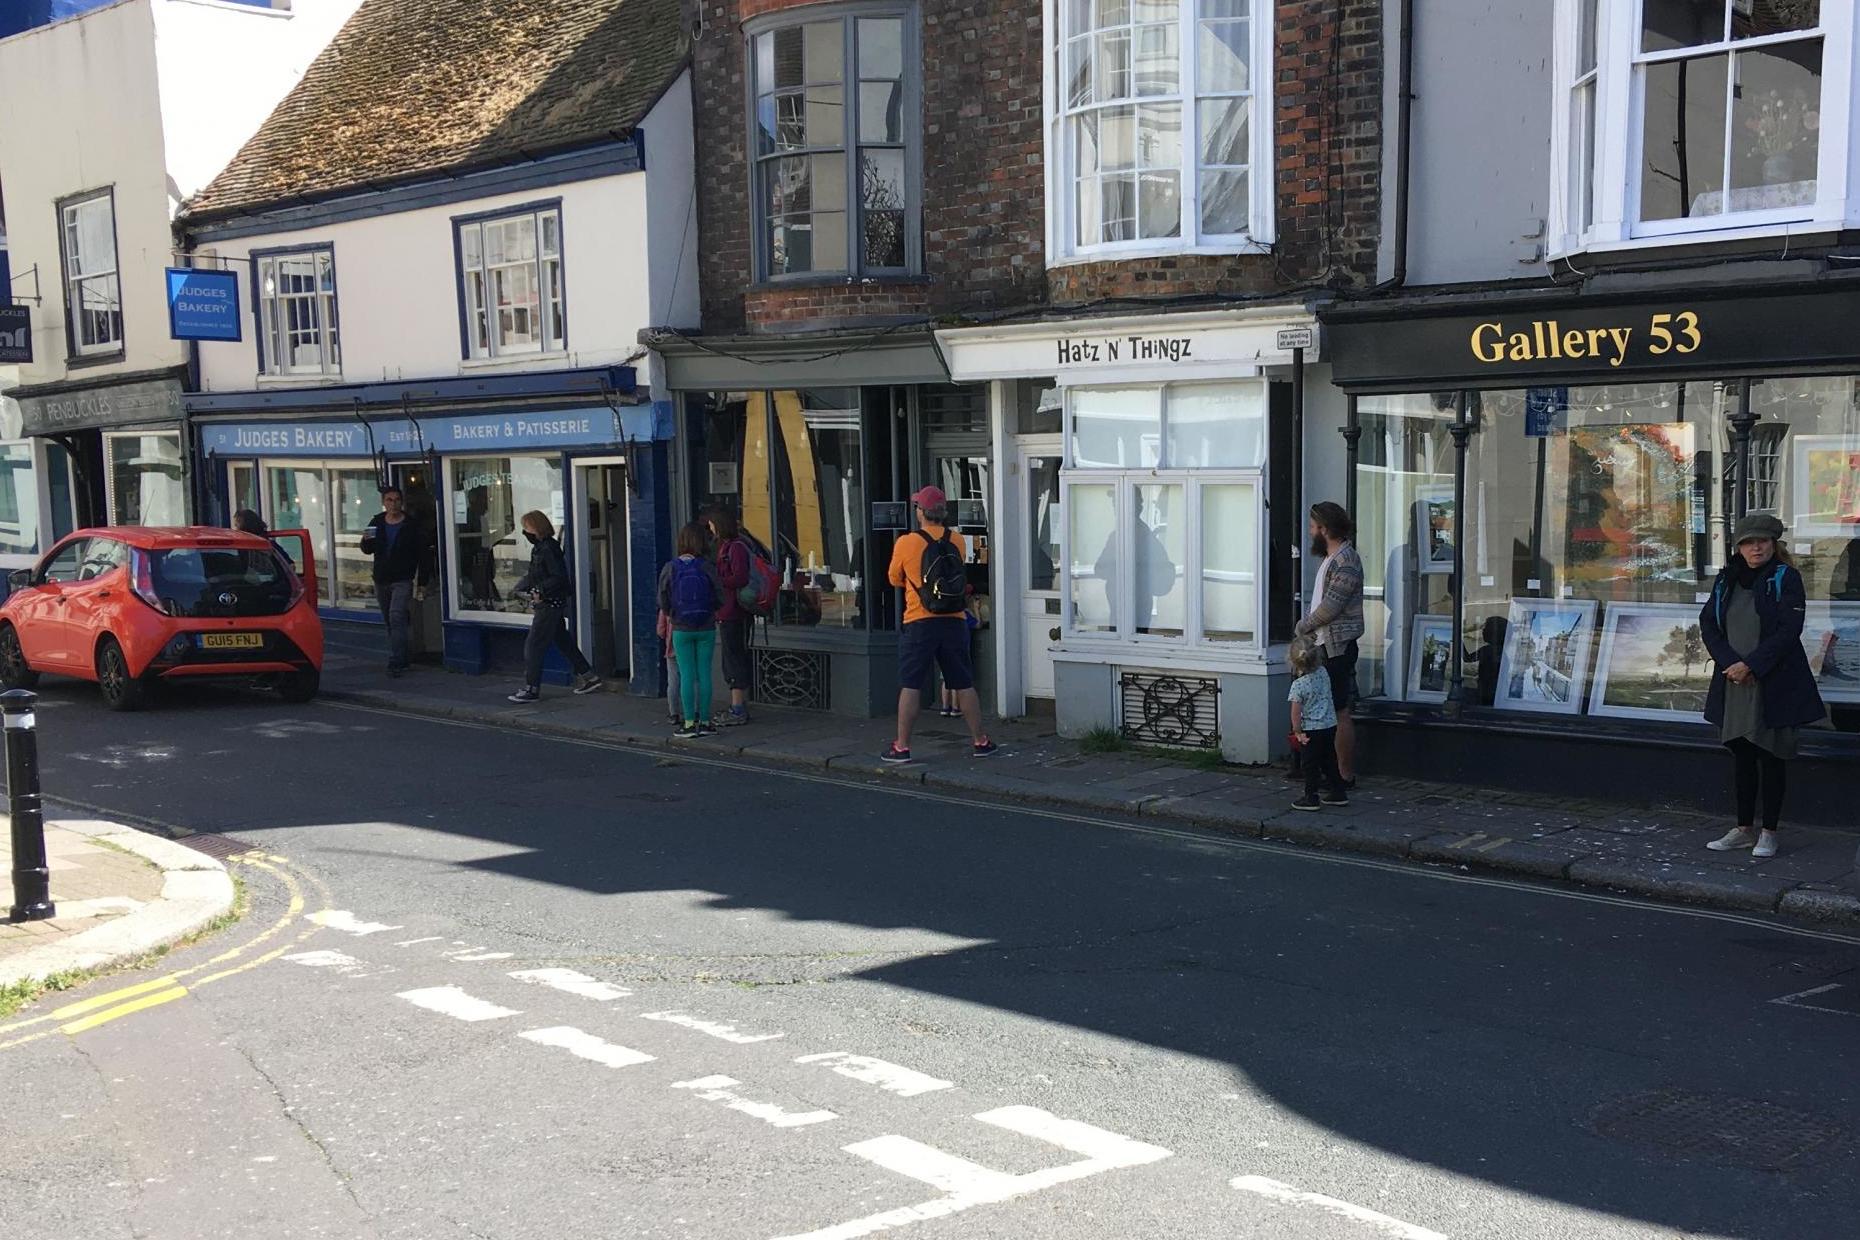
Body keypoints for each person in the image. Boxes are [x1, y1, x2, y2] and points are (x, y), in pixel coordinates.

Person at [1699, 514, 1826, 859]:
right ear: (1738, 547)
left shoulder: (1787, 578)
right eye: (1748, 542)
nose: (1756, 547)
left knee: (1771, 757)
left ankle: (1769, 832)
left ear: (1774, 544)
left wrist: (1752, 665)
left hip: (1773, 681)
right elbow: (1709, 623)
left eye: (1763, 541)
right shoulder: (1726, 580)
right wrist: (1730, 664)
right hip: (1735, 681)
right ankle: (1743, 829)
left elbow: (1789, 629)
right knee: (1742, 756)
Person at [881, 486, 997, 763]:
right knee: (964, 682)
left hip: (920, 621)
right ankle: (980, 740)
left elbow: (893, 578)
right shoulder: (956, 540)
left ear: (921, 512)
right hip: (954, 620)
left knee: (911, 684)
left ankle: (902, 746)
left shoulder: (907, 543)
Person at [1294, 501, 1365, 785]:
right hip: (1322, 644)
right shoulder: (1332, 557)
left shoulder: (1346, 560)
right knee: (1323, 710)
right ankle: (1327, 772)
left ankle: (1344, 775)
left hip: (1338, 646)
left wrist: (1303, 626)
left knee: (1338, 709)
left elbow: (1332, 606)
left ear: (1324, 528)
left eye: (1313, 527)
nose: (1310, 532)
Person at [506, 511, 602, 703]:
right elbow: (536, 574)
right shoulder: (541, 548)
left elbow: (558, 577)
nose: (525, 532)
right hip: (549, 602)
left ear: (537, 527)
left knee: (533, 645)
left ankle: (531, 688)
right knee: (563, 641)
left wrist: (539, 590)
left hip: (549, 604)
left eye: (527, 528)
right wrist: (520, 587)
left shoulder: (548, 548)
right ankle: (589, 676)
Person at [659, 522, 723, 739]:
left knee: (686, 674)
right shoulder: (707, 566)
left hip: (681, 628)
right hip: (706, 626)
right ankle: (705, 721)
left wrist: (672, 615)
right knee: (704, 673)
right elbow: (720, 596)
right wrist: (710, 610)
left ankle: (688, 724)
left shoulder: (671, 567)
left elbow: (662, 599)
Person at [359, 486, 432, 678]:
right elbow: (367, 549)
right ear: (384, 503)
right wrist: (365, 540)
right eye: (389, 500)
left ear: (402, 502)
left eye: (397, 500)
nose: (393, 504)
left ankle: (397, 660)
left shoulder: (411, 525)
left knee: (396, 615)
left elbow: (423, 554)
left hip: (402, 578)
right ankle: (403, 654)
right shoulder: (376, 522)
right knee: (390, 620)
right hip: (381, 578)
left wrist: (423, 581)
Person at [1287, 637, 1349, 811]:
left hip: (1311, 730)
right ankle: (1338, 792)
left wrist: (1297, 732)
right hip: (1329, 725)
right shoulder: (1323, 672)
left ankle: (1311, 797)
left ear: (1293, 661)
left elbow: (1295, 713)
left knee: (1310, 765)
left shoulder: (1298, 685)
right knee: (1330, 759)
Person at [705, 506, 753, 727]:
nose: (710, 527)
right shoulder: (726, 546)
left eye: (712, 523)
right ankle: (738, 706)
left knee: (733, 660)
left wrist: (718, 581)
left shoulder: (736, 548)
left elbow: (740, 578)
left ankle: (738, 709)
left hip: (734, 612)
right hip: (727, 611)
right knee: (731, 659)